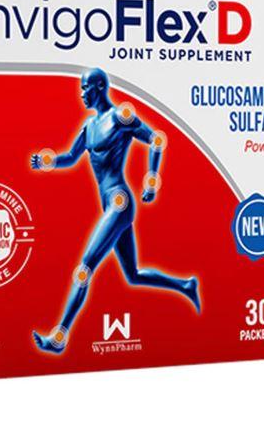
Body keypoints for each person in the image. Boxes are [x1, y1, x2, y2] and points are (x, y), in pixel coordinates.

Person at [30, 68, 200, 354]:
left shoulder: (120, 117)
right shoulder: (89, 126)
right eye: (81, 88)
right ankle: (186, 285)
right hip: (109, 204)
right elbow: (71, 157)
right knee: (132, 274)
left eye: (85, 88)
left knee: (84, 268)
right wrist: (47, 162)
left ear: (99, 87)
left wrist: (151, 180)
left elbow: (155, 139)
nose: (81, 94)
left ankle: (58, 339)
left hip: (119, 202)